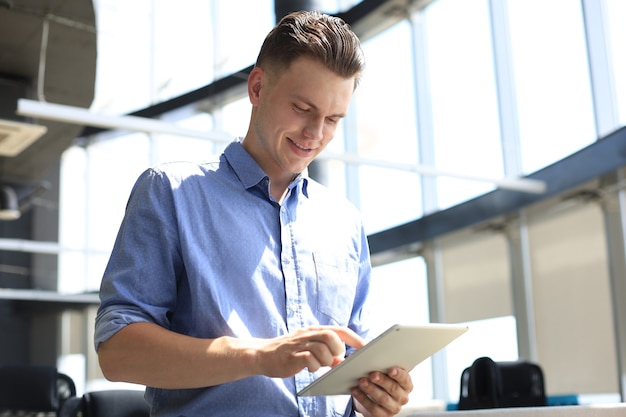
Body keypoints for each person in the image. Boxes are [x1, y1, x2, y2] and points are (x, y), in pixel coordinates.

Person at [94, 10, 413, 417]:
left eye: (333, 119)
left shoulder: (345, 221)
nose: (316, 134)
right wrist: (259, 355)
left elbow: (357, 358)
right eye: (302, 108)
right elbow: (117, 353)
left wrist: (379, 395)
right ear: (258, 87)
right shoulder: (170, 193)